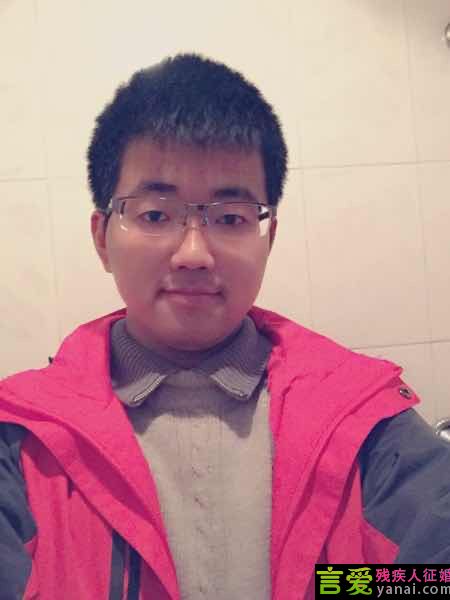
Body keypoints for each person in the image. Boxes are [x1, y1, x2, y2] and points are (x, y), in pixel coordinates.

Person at [0, 54, 449, 600]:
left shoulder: (363, 420)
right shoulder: (19, 439)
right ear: (102, 238)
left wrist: (331, 587)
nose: (193, 253)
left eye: (230, 218)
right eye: (155, 215)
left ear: (269, 238)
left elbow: (433, 580)